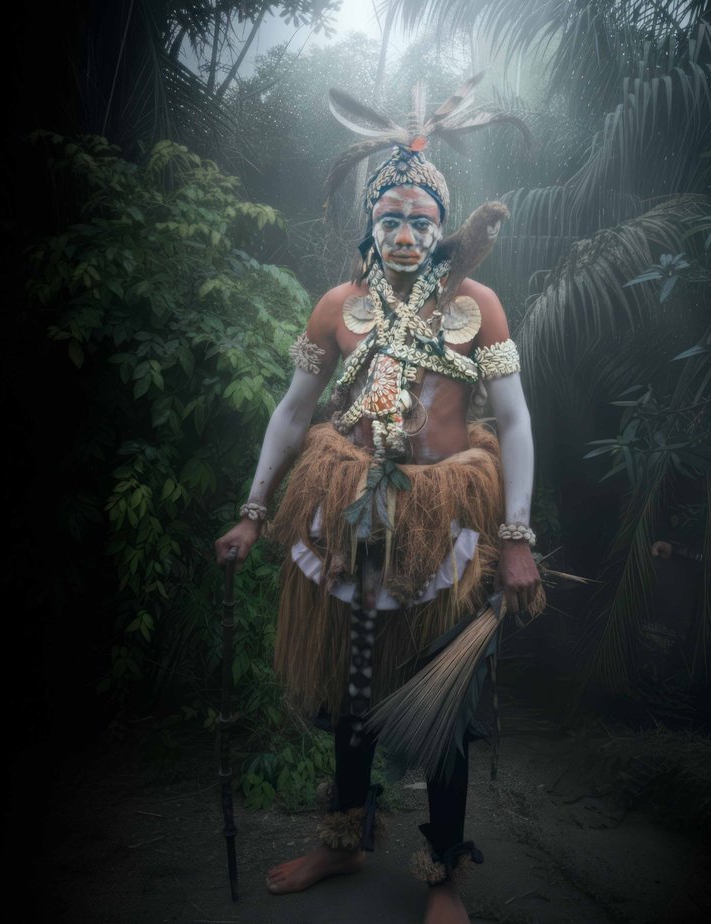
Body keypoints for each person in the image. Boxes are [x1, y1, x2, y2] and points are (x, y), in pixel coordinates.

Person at [212, 75, 542, 924]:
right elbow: (293, 413)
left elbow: (513, 420)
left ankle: (442, 880)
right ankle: (342, 841)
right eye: (389, 219)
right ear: (370, 226)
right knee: (350, 695)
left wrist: (515, 535)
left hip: (446, 530)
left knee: (444, 708)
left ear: (442, 230)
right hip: (348, 521)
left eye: (421, 221)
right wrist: (255, 510)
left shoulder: (477, 305)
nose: (403, 233)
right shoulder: (336, 308)